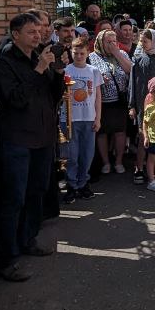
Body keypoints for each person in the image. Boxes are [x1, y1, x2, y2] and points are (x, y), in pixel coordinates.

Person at [0, 12, 64, 282]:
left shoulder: (38, 57)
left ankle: (28, 240)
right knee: (14, 199)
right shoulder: (3, 63)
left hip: (42, 139)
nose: (38, 35)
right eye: (31, 32)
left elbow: (52, 96)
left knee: (37, 193)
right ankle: (7, 259)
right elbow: (15, 99)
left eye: (39, 31)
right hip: (17, 141)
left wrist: (55, 73)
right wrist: (40, 70)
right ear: (16, 34)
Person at [129, 29, 155, 184]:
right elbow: (133, 83)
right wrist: (132, 105)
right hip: (143, 103)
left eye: (145, 41)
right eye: (141, 41)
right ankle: (139, 168)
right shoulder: (138, 60)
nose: (142, 44)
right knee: (143, 136)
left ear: (154, 41)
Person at [62, 38, 102, 202]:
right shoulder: (66, 70)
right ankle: (71, 185)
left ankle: (83, 183)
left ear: (87, 53)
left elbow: (98, 97)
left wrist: (98, 118)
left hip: (88, 118)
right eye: (75, 53)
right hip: (71, 119)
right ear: (71, 52)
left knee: (87, 154)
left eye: (82, 53)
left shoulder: (93, 71)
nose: (79, 56)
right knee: (72, 155)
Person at [89, 29, 132, 175]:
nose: (112, 44)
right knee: (102, 133)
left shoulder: (122, 54)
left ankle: (119, 161)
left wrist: (116, 53)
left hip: (120, 101)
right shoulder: (92, 57)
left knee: (120, 132)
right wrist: (99, 79)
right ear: (101, 42)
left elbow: (129, 70)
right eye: (109, 42)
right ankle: (106, 162)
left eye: (114, 41)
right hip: (101, 102)